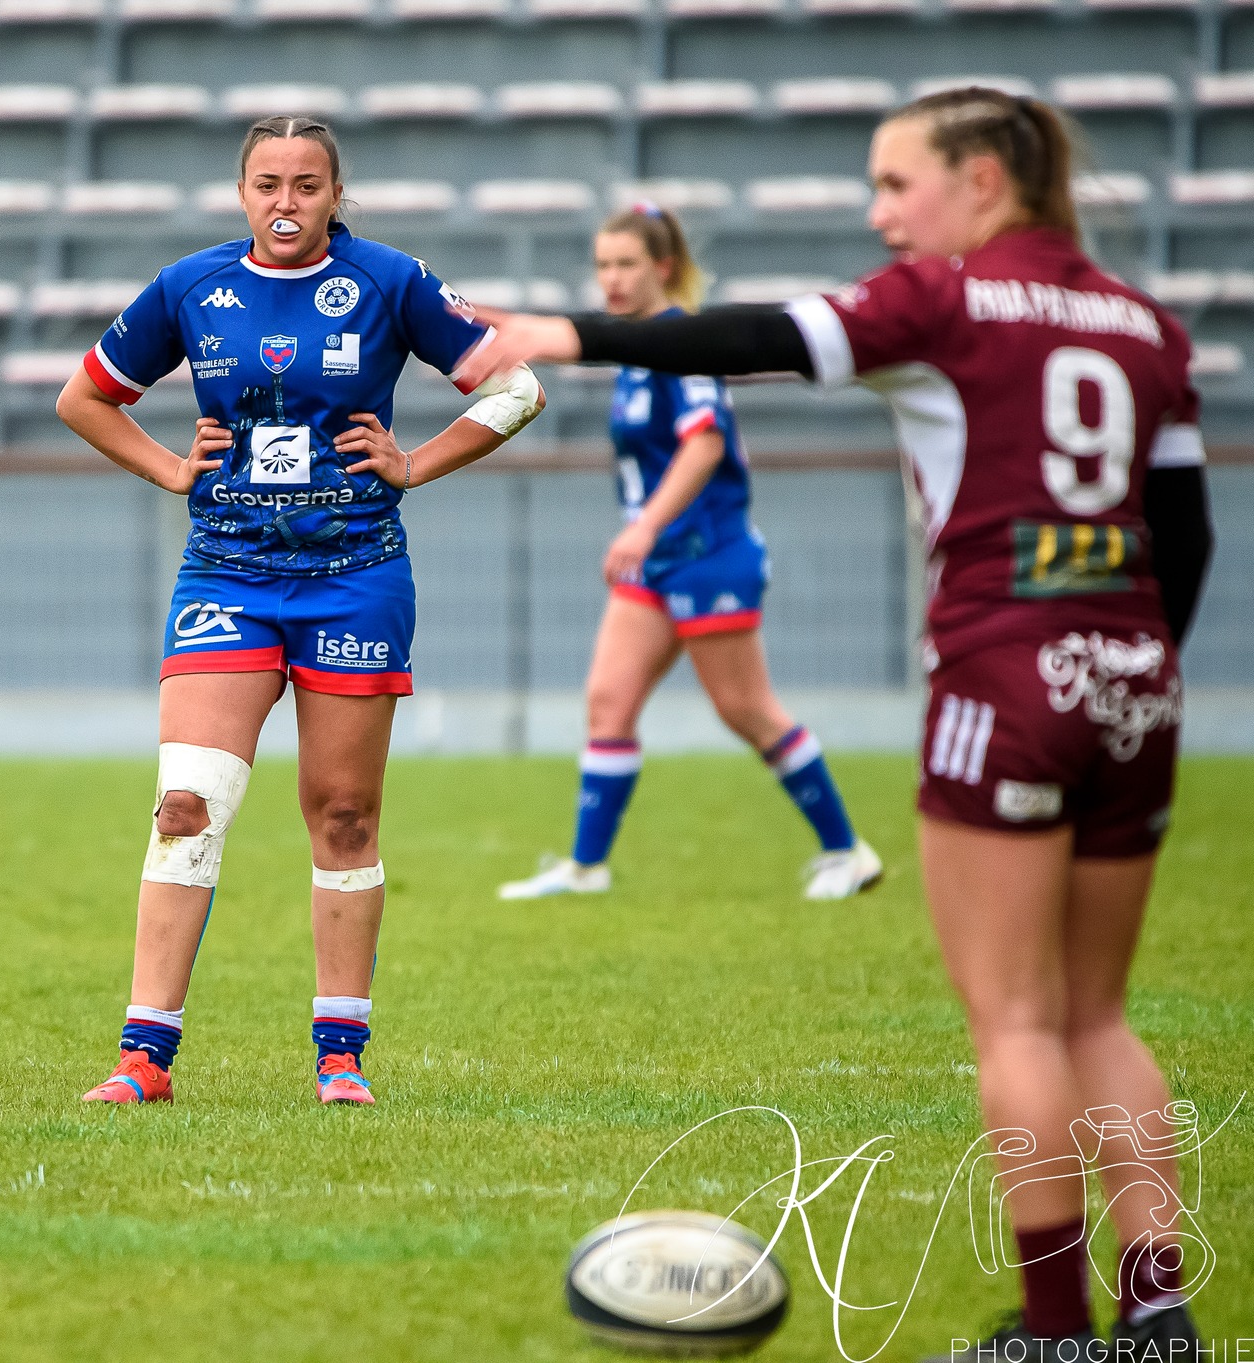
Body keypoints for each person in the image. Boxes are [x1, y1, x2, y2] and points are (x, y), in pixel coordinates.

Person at [457, 89, 1213, 1357]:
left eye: (893, 183)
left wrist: (567, 333)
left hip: (1004, 677)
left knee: (1019, 1022)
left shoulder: (940, 300)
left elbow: (748, 334)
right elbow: (1183, 537)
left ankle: (1049, 1329)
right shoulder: (1144, 324)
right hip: (1133, 682)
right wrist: (1125, 668)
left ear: (981, 180)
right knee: (1098, 1015)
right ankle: (1157, 1309)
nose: (876, 212)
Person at [56, 116, 545, 1107]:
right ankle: (142, 1058)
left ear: (333, 196)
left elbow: (516, 387)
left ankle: (338, 1057)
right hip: (224, 580)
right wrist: (168, 471)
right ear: (242, 194)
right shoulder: (190, 287)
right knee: (184, 804)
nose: (286, 202)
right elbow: (83, 398)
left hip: (355, 577)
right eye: (267, 184)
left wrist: (413, 464)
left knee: (343, 814)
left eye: (306, 186)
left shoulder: (389, 281)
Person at [495, 204, 880, 903]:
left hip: (709, 552)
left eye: (626, 265)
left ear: (662, 269)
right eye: (603, 264)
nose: (610, 279)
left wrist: (643, 527)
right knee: (608, 703)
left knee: (747, 710)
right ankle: (587, 868)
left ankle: (848, 850)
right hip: (658, 562)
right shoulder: (636, 351)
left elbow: (704, 443)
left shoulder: (685, 343)